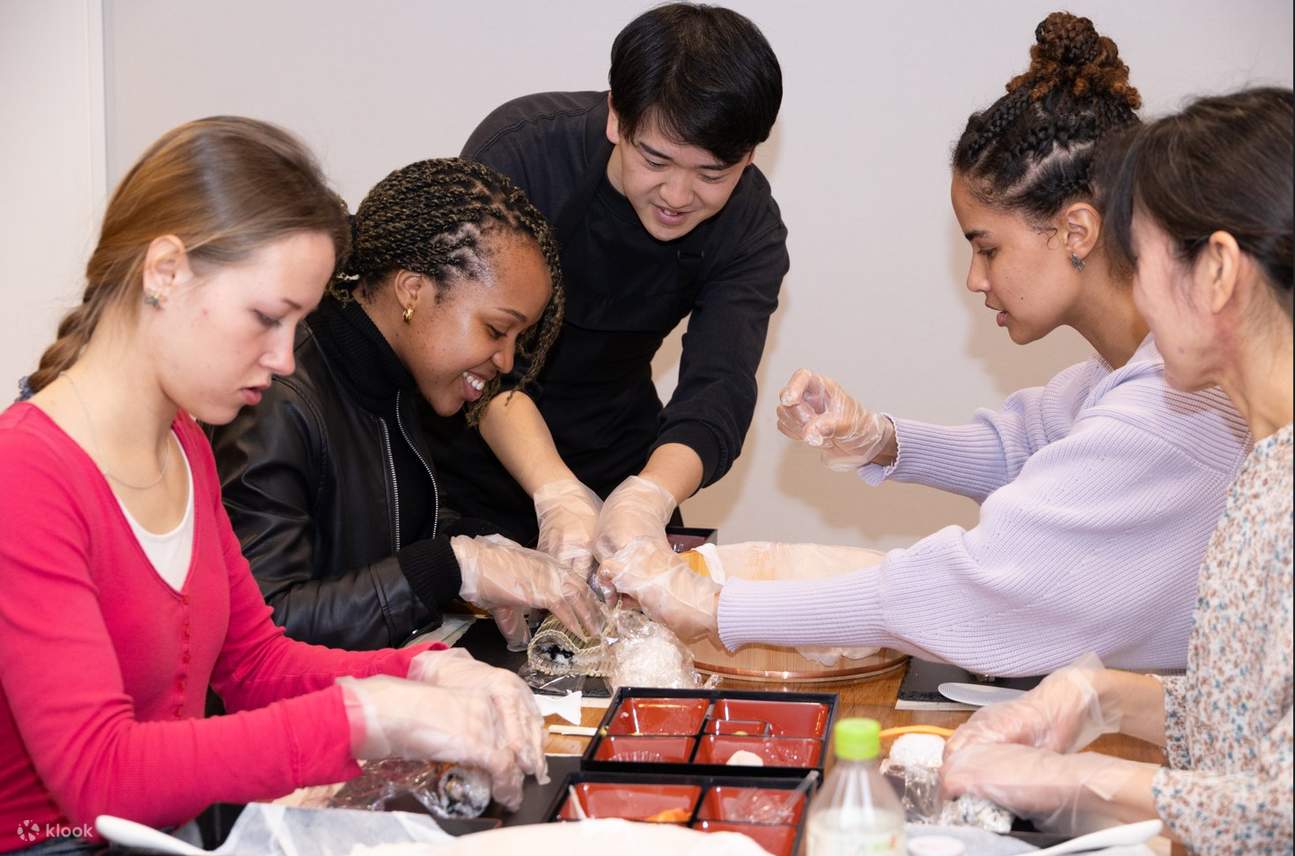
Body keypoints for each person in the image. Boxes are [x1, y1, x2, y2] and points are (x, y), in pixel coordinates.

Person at [602, 13, 1250, 676]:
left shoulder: (1166, 407)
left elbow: (970, 584)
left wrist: (717, 609)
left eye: (987, 249)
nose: (974, 279)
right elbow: (1023, 449)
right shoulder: (1127, 373)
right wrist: (879, 440)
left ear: (1075, 232)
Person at [0, 118, 544, 854]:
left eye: (297, 324)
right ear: (165, 271)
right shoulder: (26, 473)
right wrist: (365, 717)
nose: (285, 359)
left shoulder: (184, 442)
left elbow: (255, 663)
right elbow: (100, 777)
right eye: (265, 318)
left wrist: (429, 669)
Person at [941, 87, 1293, 853]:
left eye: (1137, 259)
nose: (1130, 293)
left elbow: (1278, 806)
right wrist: (1102, 697)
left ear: (1218, 270)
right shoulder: (1266, 461)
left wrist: (1076, 781)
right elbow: (1243, 723)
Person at [423, 2, 789, 582]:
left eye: (712, 174)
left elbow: (718, 388)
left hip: (616, 450)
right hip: (470, 448)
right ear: (617, 117)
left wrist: (648, 497)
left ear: (747, 157)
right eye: (656, 159)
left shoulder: (748, 225)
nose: (678, 194)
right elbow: (469, 348)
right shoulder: (523, 153)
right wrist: (555, 491)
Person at [208, 158, 602, 651]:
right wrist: (450, 568)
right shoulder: (279, 396)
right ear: (413, 290)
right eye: (497, 330)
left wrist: (485, 545)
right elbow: (266, 626)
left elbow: (374, 527)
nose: (504, 361)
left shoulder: (391, 377)